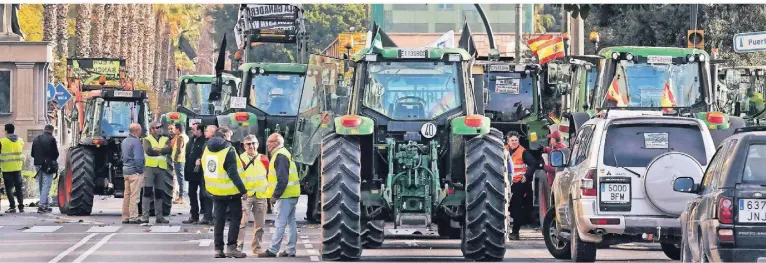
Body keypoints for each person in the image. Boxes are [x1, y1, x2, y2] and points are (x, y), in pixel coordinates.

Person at [202, 126, 248, 258]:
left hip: (215, 190)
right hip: (231, 191)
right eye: (230, 136)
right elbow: (233, 173)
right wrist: (243, 190)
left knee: (219, 220)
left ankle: (218, 249)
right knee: (235, 218)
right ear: (226, 136)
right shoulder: (229, 150)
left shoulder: (207, 148)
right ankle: (231, 248)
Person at [259, 133, 300, 258]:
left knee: (280, 223)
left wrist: (275, 195)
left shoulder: (280, 156)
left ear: (277, 143)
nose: (267, 144)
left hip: (285, 195)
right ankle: (290, 250)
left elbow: (282, 179)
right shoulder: (284, 153)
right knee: (291, 222)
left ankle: (272, 250)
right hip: (292, 193)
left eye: (270, 141)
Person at [237, 135, 270, 254]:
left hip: (261, 195)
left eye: (253, 143)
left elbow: (269, 176)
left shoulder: (263, 158)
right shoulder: (240, 159)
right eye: (248, 144)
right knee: (242, 223)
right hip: (246, 195)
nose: (251, 146)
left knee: (260, 225)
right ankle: (238, 247)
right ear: (244, 146)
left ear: (258, 144)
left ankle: (257, 247)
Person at [506, 131, 537, 240]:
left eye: (516, 140)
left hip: (518, 184)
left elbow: (533, 163)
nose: (514, 142)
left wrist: (526, 176)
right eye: (512, 140)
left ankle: (515, 232)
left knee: (516, 209)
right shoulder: (504, 150)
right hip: (505, 184)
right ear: (508, 141)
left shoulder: (523, 152)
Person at [141, 121, 173, 224]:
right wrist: (161, 150)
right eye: (157, 127)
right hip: (150, 168)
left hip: (161, 168)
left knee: (159, 193)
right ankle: (145, 216)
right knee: (147, 192)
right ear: (152, 129)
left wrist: (158, 150)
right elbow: (149, 151)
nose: (159, 129)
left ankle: (159, 216)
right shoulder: (147, 139)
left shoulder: (165, 139)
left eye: (159, 127)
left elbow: (169, 150)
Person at [183, 123, 213, 225]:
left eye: (194, 129)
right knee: (191, 193)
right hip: (192, 172)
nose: (192, 131)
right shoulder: (191, 140)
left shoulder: (205, 141)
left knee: (204, 194)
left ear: (200, 130)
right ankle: (194, 215)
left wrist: (200, 159)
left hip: (202, 172)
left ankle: (206, 215)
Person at [31, 124, 59, 214]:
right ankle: (42, 205)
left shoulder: (36, 139)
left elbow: (32, 154)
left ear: (44, 130)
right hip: (47, 165)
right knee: (46, 185)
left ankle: (45, 204)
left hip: (37, 164)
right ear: (51, 130)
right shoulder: (52, 139)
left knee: (41, 185)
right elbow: (56, 154)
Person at [121, 123, 145, 223]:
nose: (141, 132)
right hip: (134, 172)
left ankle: (125, 217)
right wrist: (140, 171)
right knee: (134, 196)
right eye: (140, 130)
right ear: (136, 131)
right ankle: (133, 217)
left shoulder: (125, 141)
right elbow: (138, 158)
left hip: (126, 171)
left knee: (127, 195)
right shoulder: (136, 142)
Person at [1, 124, 25, 213]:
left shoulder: (2, 142)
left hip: (6, 169)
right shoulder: (20, 141)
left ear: (6, 131)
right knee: (19, 188)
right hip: (17, 168)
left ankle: (12, 206)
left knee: (9, 189)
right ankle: (21, 206)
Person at [170, 123, 188, 204]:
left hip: (179, 161)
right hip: (183, 160)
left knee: (180, 179)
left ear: (178, 129)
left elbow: (179, 149)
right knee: (181, 178)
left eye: (174, 129)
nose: (173, 130)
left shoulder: (180, 137)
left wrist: (175, 159)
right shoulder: (186, 136)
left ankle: (181, 197)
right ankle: (181, 195)